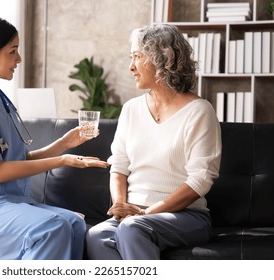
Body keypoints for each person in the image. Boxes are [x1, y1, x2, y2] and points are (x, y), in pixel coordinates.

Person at [0, 13, 109, 260]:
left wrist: (64, 144)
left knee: (74, 224)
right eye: (12, 51)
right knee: (53, 228)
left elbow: (16, 159)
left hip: (2, 200)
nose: (19, 59)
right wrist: (62, 161)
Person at [86, 24, 222, 260]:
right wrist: (120, 207)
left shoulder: (199, 111)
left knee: (133, 229)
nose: (131, 67)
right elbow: (118, 166)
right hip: (134, 214)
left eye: (137, 57)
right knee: (97, 235)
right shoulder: (131, 109)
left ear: (163, 59)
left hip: (186, 215)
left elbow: (200, 180)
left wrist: (145, 213)